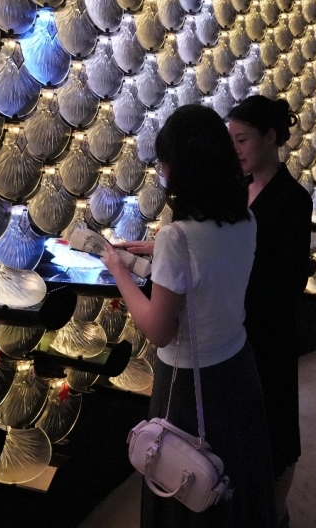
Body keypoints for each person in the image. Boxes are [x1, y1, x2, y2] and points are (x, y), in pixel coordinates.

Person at [101, 104, 276, 528]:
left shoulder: (178, 238)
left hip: (188, 382)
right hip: (238, 368)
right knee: (229, 478)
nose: (162, 171)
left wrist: (119, 271)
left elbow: (159, 329)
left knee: (183, 479)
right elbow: (211, 268)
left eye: (165, 163)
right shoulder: (246, 219)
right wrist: (159, 250)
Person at [227, 95, 312, 528]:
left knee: (276, 430)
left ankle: (276, 516)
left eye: (242, 139)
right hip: (236, 328)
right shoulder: (236, 190)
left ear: (271, 137)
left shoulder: (293, 199)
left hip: (269, 331)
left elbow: (290, 280)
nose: (235, 149)